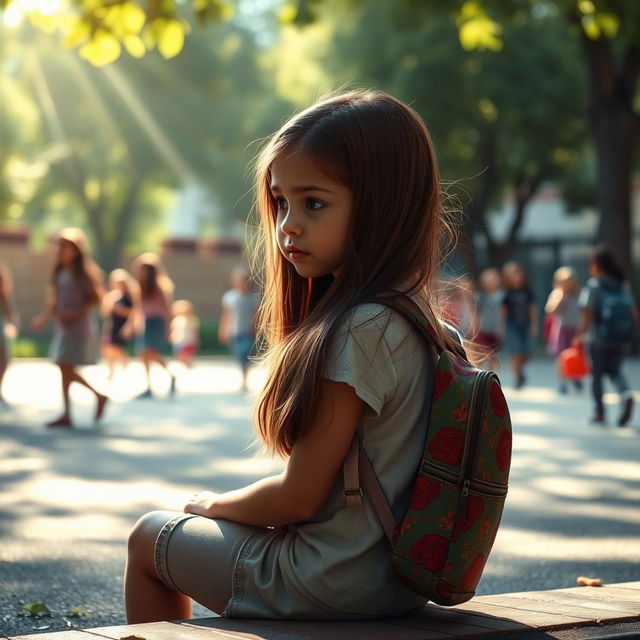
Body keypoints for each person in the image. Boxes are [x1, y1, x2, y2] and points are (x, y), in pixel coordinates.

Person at [124, 89, 463, 623]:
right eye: (280, 202)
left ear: (383, 204)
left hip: (333, 580)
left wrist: (209, 505)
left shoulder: (362, 328)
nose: (288, 225)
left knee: (150, 535)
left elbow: (298, 498)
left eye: (315, 202)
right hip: (404, 578)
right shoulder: (429, 325)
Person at [31, 228, 108, 427]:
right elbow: (54, 303)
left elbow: (96, 299)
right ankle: (67, 413)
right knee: (63, 370)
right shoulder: (59, 273)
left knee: (65, 367)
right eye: (59, 247)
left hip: (79, 328)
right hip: (63, 328)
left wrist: (76, 312)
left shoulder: (82, 274)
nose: (61, 251)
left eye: (65, 247)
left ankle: (98, 396)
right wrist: (43, 319)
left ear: (76, 250)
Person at [574, 246, 638, 426]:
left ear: (595, 265)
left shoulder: (594, 285)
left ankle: (600, 413)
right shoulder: (622, 284)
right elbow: (633, 313)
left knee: (597, 374)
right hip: (622, 337)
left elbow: (587, 313)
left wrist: (580, 335)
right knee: (615, 371)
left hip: (600, 338)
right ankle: (625, 394)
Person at [132, 253, 175, 399]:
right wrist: (132, 325)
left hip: (157, 322)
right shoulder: (139, 287)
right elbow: (138, 308)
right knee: (143, 354)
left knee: (150, 352)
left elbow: (168, 309)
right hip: (145, 322)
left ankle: (170, 374)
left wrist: (169, 328)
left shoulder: (160, 287)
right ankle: (148, 386)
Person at [218, 268, 260, 391]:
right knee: (238, 355)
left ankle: (245, 379)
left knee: (245, 354)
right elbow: (226, 315)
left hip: (248, 332)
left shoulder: (254, 297)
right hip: (234, 332)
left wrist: (256, 329)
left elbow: (257, 315)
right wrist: (223, 330)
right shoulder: (229, 297)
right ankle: (243, 375)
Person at [544, 266, 581, 394]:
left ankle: (576, 376)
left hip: (575, 329)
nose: (568, 284)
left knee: (576, 354)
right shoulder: (557, 294)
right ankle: (562, 382)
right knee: (561, 356)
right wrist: (561, 297)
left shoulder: (577, 295)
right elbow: (550, 310)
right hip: (562, 329)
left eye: (570, 281)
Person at [501, 261, 537, 389]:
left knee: (527, 353)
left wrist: (533, 325)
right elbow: (503, 312)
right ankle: (518, 377)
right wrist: (502, 328)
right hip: (512, 326)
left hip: (525, 325)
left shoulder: (527, 292)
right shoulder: (507, 293)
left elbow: (532, 309)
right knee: (515, 353)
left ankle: (520, 372)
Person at [101, 268, 138, 379]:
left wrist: (118, 310)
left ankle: (126, 366)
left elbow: (132, 312)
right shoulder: (112, 296)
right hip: (111, 326)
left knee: (117, 348)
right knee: (108, 349)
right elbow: (105, 313)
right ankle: (111, 370)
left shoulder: (128, 297)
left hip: (122, 326)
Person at [475, 267, 504, 372]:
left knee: (494, 354)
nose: (490, 283)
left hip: (496, 329)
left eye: (493, 280)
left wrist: (502, 328)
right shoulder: (480, 296)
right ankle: (479, 373)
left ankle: (492, 373)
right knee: (482, 352)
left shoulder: (502, 296)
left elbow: (503, 314)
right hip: (483, 329)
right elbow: (476, 313)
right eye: (487, 280)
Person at [0, 264, 19, 406]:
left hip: (1, 332)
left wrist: (13, 325)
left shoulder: (3, 297)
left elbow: (11, 314)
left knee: (4, 360)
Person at [169, 300, 199, 369]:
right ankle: (187, 366)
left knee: (185, 355)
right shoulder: (177, 320)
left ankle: (189, 366)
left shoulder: (191, 320)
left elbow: (195, 331)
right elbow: (174, 330)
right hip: (179, 341)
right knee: (180, 356)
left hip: (188, 341)